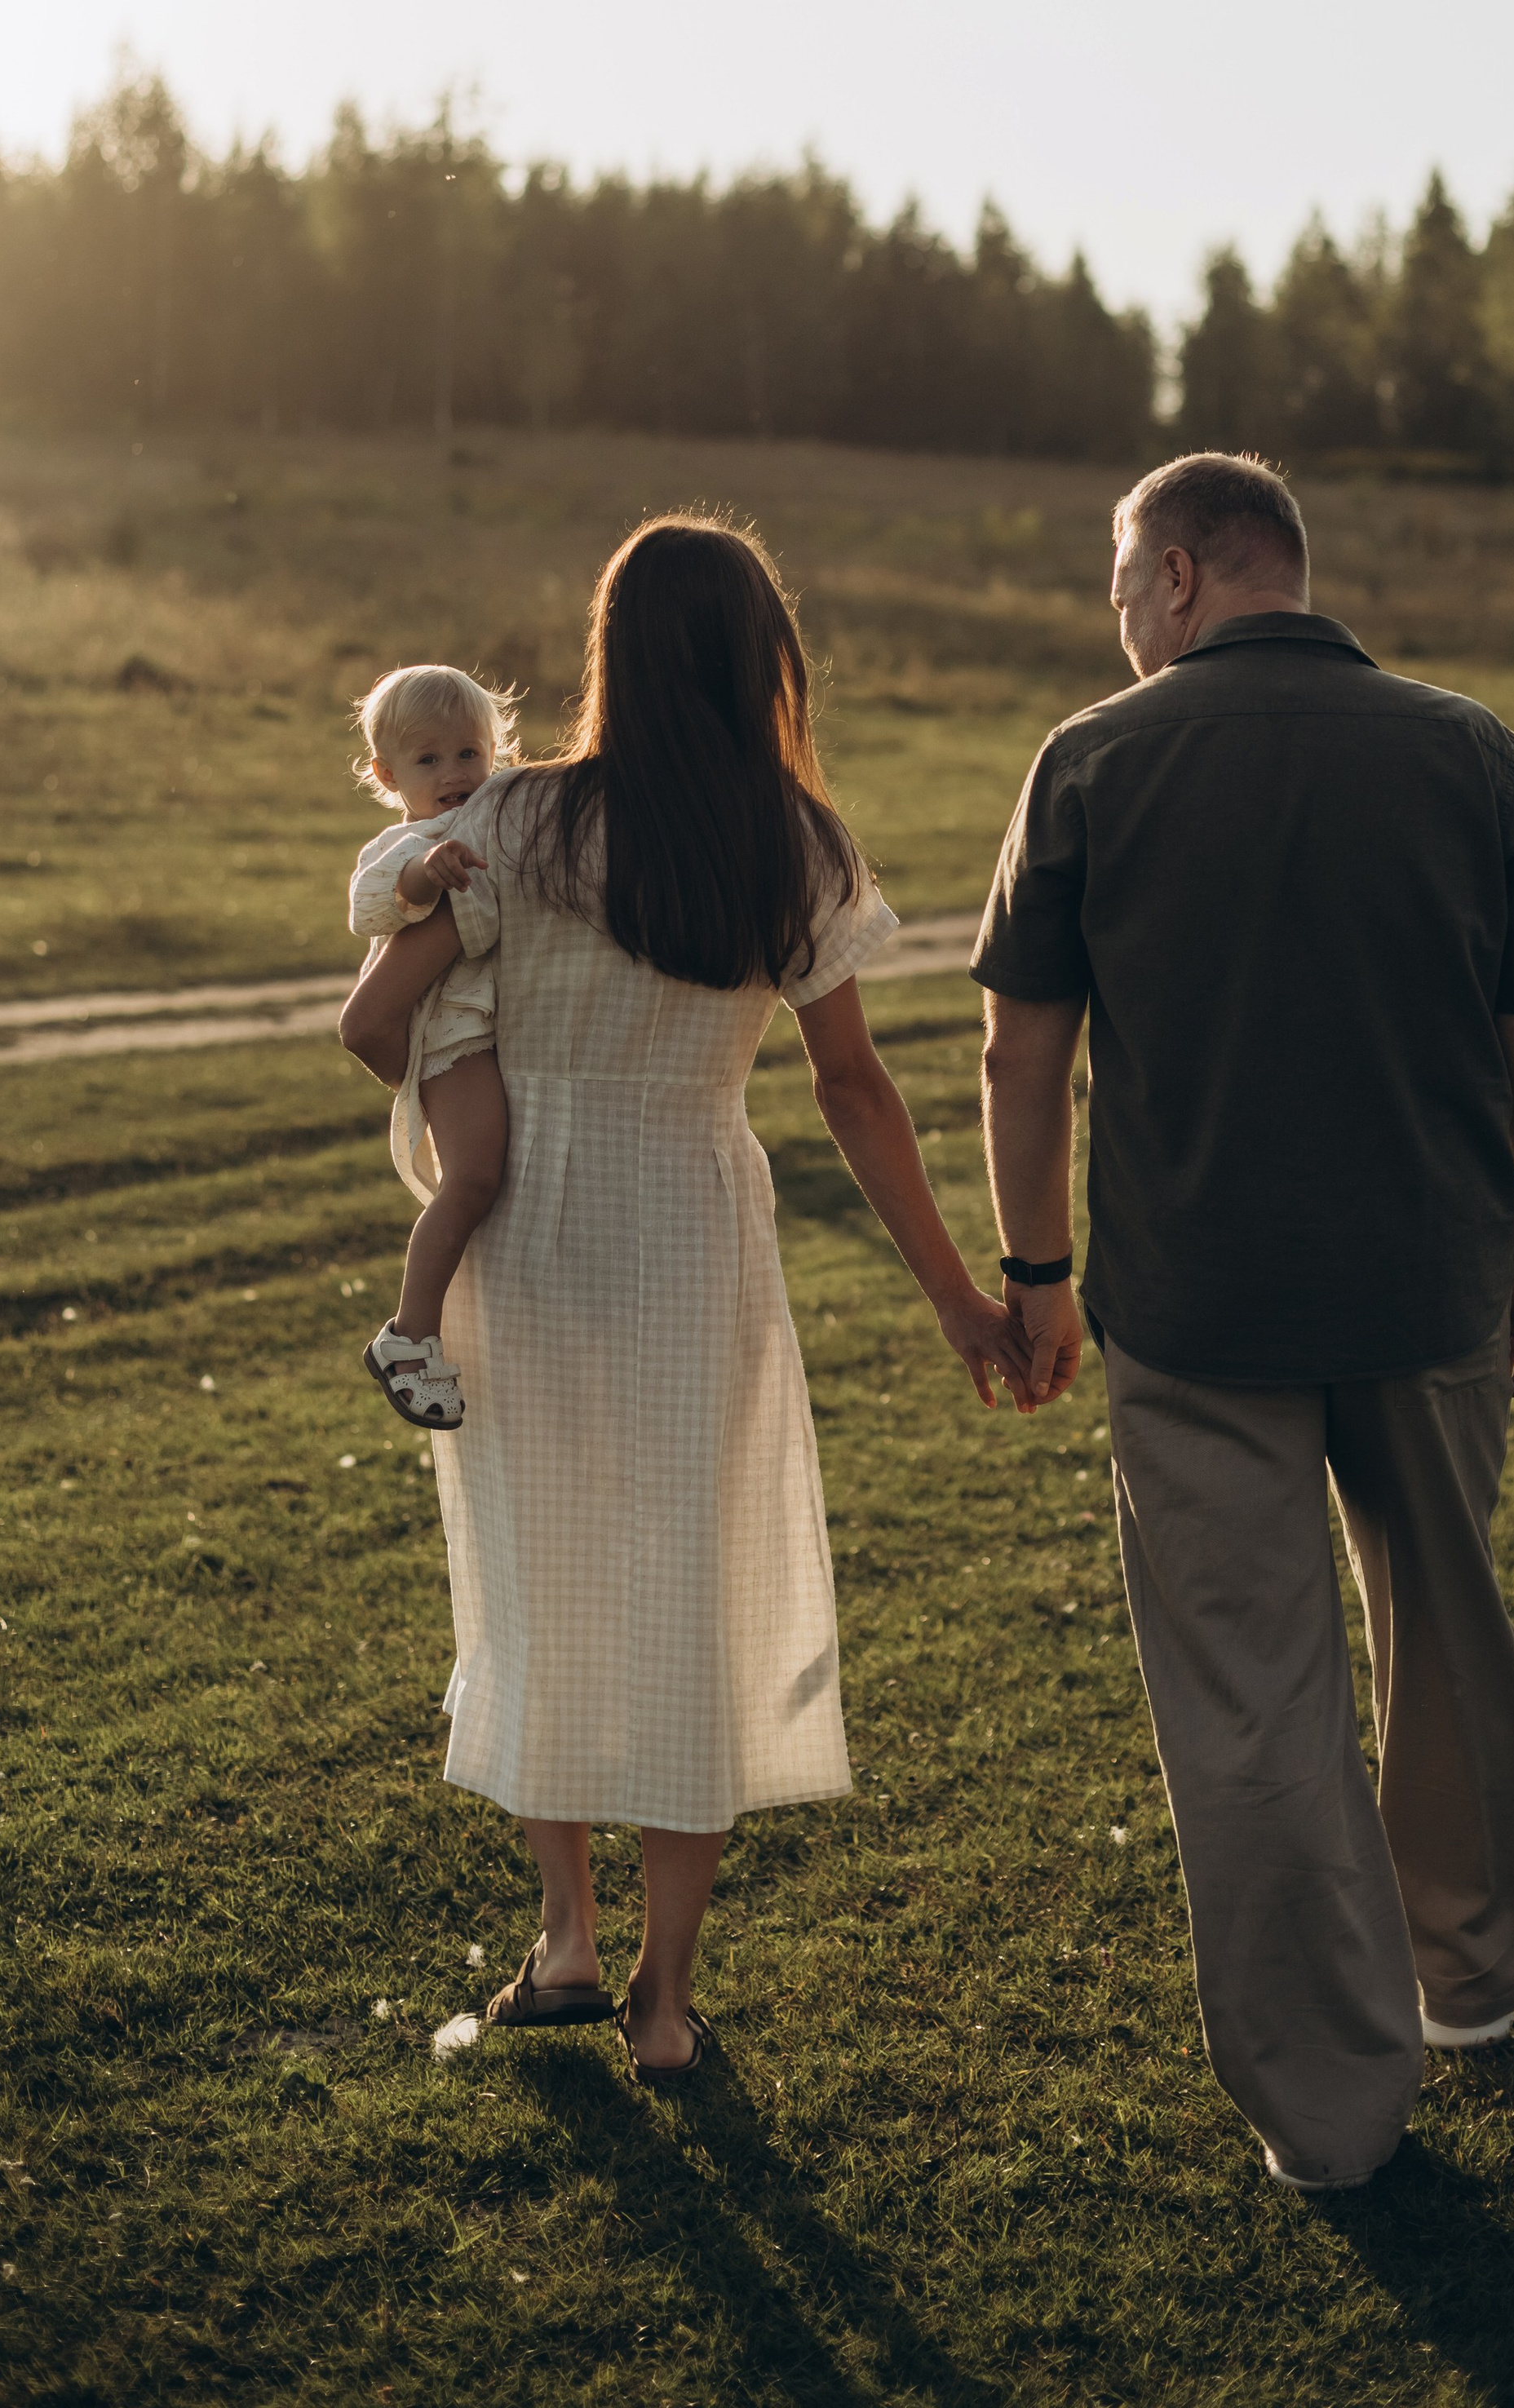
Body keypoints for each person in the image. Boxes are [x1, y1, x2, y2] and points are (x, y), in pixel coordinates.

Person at [971, 451, 1514, 2191]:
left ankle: (1329, 2113)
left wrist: (1035, 1276)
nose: (1116, 624)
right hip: (1433, 1281)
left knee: (1248, 1697)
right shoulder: (1469, 750)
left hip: (1193, 1304)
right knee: (1445, 1627)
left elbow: (1022, 1050)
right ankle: (1469, 1984)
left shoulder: (1091, 760)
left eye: (1117, 590)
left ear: (1175, 577)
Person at [339, 518, 1027, 2076]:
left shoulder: (509, 823)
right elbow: (851, 1086)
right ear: (759, 659)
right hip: (690, 1227)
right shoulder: (795, 847)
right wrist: (953, 1301)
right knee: (689, 1595)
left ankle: (563, 1942)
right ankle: (662, 2004)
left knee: (535, 1576)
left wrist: (454, 1069)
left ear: (609, 658)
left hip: (525, 1234)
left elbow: (377, 1023)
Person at [346, 662, 520, 1433]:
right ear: (387, 775)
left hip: (489, 1033)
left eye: (468, 754)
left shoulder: (498, 817)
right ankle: (410, 1335)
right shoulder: (409, 841)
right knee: (475, 1178)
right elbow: (371, 905)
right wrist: (425, 874)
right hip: (450, 1039)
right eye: (428, 760)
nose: (454, 775)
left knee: (488, 1177)